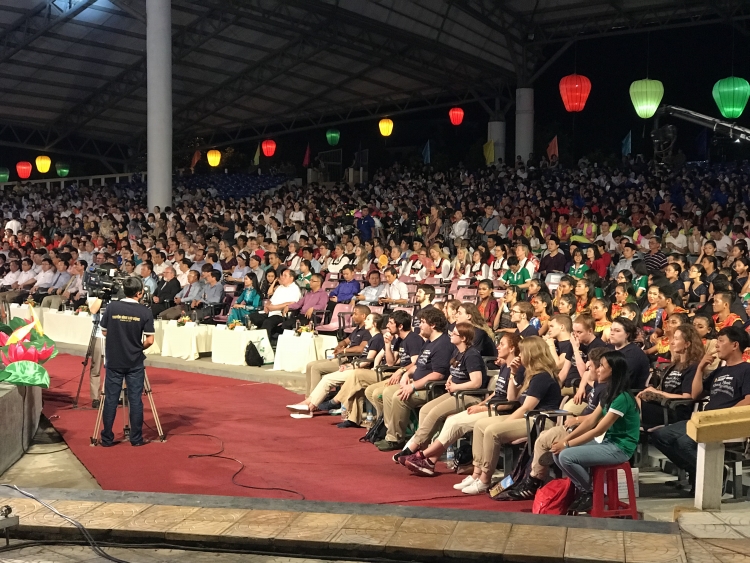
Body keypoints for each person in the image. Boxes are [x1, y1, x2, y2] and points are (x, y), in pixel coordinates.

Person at [503, 347, 610, 501]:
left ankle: (535, 481)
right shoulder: (599, 385)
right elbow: (587, 376)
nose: (587, 367)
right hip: (579, 427)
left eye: (591, 365)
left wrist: (575, 424)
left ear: (601, 368)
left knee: (548, 442)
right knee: (545, 439)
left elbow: (597, 420)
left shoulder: (607, 389)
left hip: (589, 432)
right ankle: (536, 477)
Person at [651, 326, 750, 492]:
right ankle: (698, 470)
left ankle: (713, 472)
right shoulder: (720, 370)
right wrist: (699, 369)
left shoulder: (746, 370)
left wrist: (725, 415)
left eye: (721, 341)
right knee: (660, 435)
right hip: (705, 420)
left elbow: (748, 400)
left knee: (684, 442)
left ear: (735, 345)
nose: (717, 345)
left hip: (727, 422)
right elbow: (696, 394)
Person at [459, 336, 562, 494]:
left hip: (539, 421)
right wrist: (513, 374)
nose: (520, 356)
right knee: (480, 425)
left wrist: (505, 422)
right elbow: (512, 399)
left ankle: (485, 480)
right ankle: (476, 474)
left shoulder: (542, 377)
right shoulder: (530, 374)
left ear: (531, 354)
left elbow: (527, 407)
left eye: (523, 352)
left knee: (493, 430)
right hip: (527, 418)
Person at [552, 350, 640, 513]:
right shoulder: (609, 393)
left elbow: (598, 429)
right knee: (557, 453)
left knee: (565, 455)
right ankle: (586, 491)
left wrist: (566, 444)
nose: (597, 369)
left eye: (601, 366)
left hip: (620, 448)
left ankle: (593, 492)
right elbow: (591, 420)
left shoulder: (622, 398)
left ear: (612, 370)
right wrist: (565, 440)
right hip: (607, 442)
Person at [398, 322, 489, 473]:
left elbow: (477, 382)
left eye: (454, 334)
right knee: (426, 410)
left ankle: (412, 449)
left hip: (470, 396)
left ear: (464, 338)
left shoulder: (472, 355)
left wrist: (456, 387)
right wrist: (450, 380)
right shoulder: (457, 351)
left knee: (435, 413)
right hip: (455, 392)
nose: (450, 335)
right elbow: (455, 370)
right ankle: (424, 452)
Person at [373, 307, 453, 452]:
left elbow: (438, 375)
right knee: (386, 393)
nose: (419, 326)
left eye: (422, 322)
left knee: (398, 397)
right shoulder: (429, 342)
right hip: (418, 384)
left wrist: (413, 386)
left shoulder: (443, 344)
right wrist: (406, 374)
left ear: (433, 324)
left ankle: (395, 438)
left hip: (432, 389)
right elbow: (417, 365)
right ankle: (389, 432)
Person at [99, 277, 155, 447]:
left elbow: (105, 332)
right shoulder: (145, 311)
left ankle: (107, 438)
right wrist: (138, 347)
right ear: (140, 293)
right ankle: (136, 439)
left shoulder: (112, 307)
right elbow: (150, 340)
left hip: (115, 359)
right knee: (135, 399)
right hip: (134, 360)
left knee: (110, 399)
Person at [637, 324, 702, 430]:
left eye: (676, 339)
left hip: (674, 410)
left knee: (629, 406)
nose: (672, 342)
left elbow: (687, 397)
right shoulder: (674, 365)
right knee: (626, 400)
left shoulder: (693, 367)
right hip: (662, 405)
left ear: (687, 344)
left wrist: (657, 392)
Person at [248, 268, 302, 334]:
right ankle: (253, 338)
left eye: (285, 276)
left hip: (281, 314)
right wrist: (267, 306)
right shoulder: (280, 287)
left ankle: (264, 342)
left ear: (291, 278)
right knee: (252, 317)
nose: (282, 277)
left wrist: (274, 308)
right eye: (282, 275)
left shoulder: (295, 289)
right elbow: (271, 300)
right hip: (269, 312)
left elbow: (292, 303)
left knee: (268, 322)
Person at [608, 317, 651, 389]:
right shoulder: (609, 349)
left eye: (617, 331)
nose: (612, 333)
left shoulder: (634, 355)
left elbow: (623, 383)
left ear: (627, 334)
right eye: (611, 330)